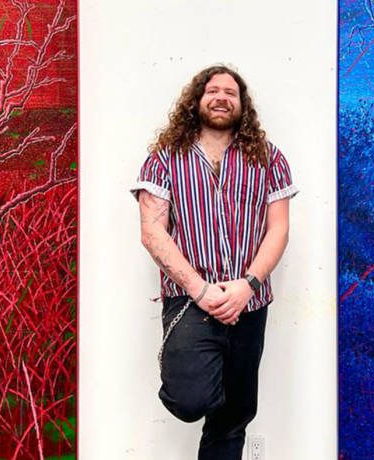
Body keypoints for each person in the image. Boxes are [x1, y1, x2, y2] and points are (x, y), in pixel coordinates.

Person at [131, 64, 297, 460]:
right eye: (213, 90)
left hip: (249, 303)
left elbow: (279, 230)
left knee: (235, 416)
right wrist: (202, 290)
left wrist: (247, 285)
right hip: (190, 301)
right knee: (191, 400)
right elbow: (152, 232)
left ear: (242, 105)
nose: (222, 97)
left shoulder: (270, 159)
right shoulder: (164, 158)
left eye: (231, 93)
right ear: (197, 100)